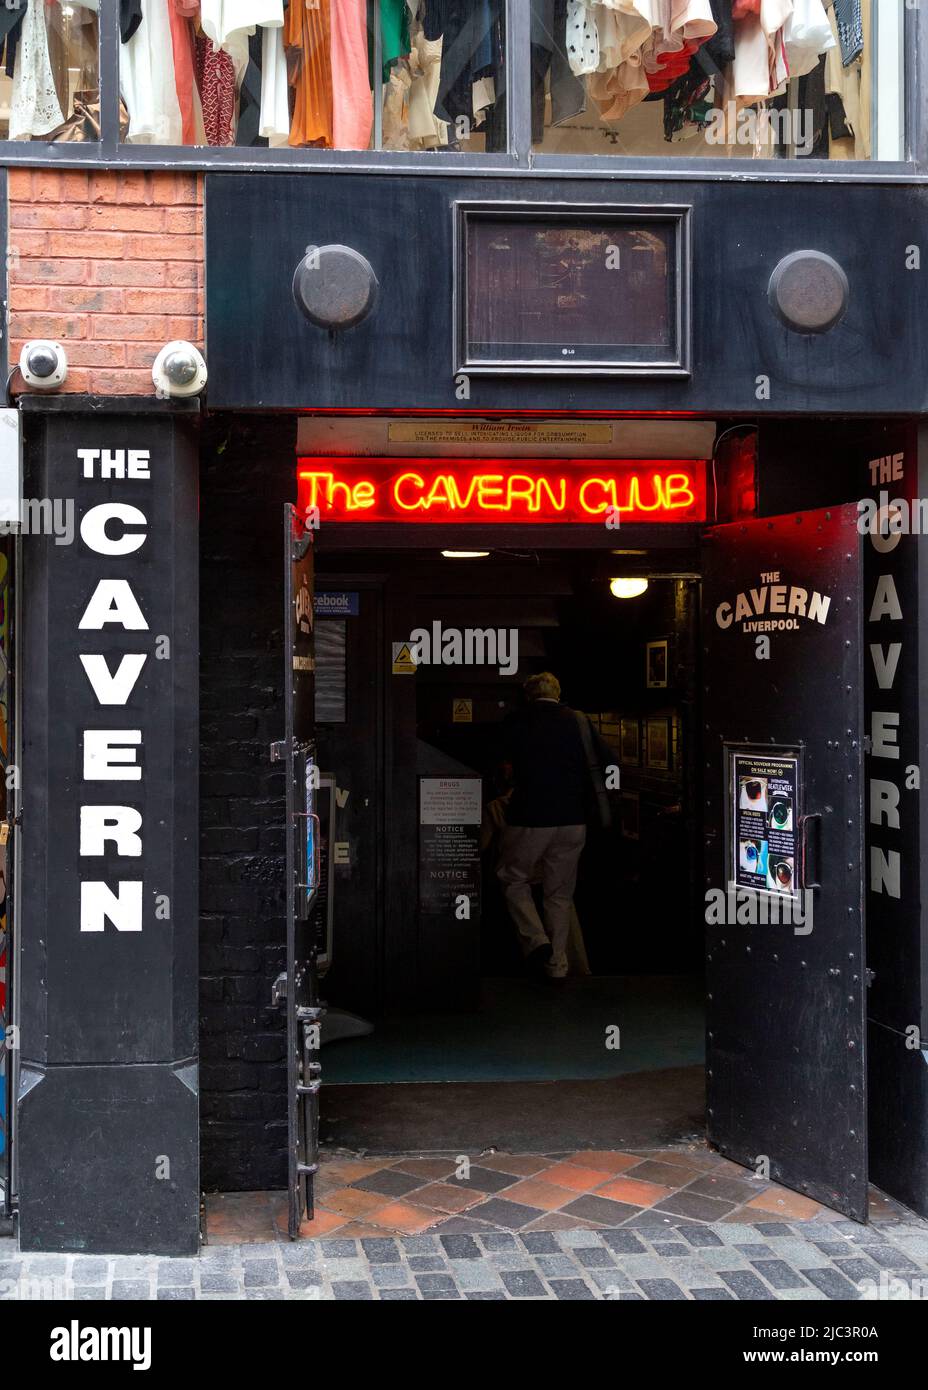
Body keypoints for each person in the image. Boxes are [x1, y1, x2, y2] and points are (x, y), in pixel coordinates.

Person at [496, 672, 614, 983]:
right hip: (573, 820)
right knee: (560, 894)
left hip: (530, 818)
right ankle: (558, 966)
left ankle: (536, 941)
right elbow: (610, 761)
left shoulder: (517, 721)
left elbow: (501, 763)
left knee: (512, 879)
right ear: (558, 693)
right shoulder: (579, 721)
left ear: (528, 695)